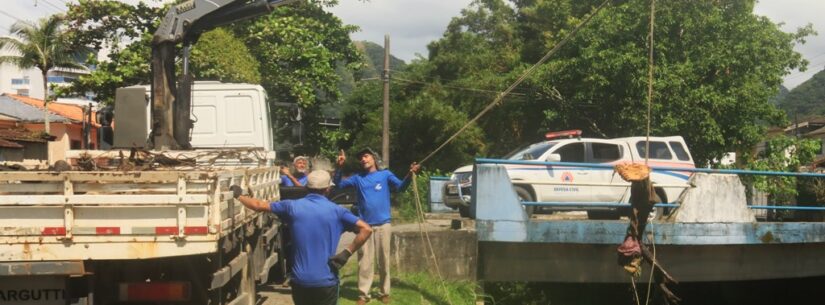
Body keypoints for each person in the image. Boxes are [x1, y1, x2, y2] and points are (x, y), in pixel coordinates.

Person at [232, 170, 372, 305]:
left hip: (300, 281)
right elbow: (366, 229)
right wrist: (346, 253)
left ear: (306, 187)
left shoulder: (291, 207)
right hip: (326, 281)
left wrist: (239, 195)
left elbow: (258, 205)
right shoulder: (338, 211)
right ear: (328, 189)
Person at [333, 148, 420, 304]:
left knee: (384, 260)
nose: (363, 159)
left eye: (366, 156)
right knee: (364, 262)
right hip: (364, 227)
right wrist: (339, 167)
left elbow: (400, 188)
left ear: (374, 159)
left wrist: (409, 174)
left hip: (383, 224)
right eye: (361, 158)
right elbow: (338, 185)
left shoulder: (385, 174)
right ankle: (363, 294)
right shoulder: (358, 178)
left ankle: (383, 292)